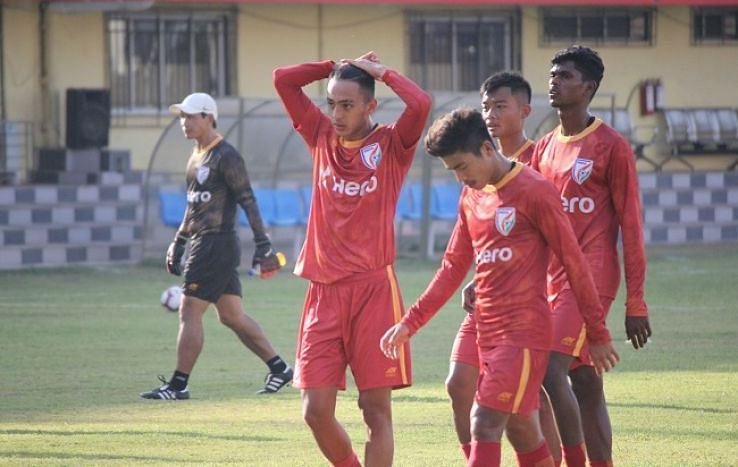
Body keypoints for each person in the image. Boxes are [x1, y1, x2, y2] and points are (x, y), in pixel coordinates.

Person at [381, 107, 619, 467]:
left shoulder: (535, 191)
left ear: (487, 150)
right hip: (485, 331)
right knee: (522, 428)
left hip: (524, 333)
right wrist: (410, 322)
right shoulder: (471, 199)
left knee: (484, 421)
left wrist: (598, 333)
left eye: (462, 166)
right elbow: (451, 268)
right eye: (452, 171)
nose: (460, 178)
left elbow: (575, 264)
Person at [273, 52, 432, 467]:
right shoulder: (320, 135)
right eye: (331, 103)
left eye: (347, 104)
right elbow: (283, 79)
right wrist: (330, 66)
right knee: (315, 410)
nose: (337, 113)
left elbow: (421, 105)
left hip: (374, 294)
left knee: (375, 412)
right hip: (323, 293)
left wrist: (382, 72)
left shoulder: (392, 146)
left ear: (370, 106)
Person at [531, 46, 653, 467]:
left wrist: (635, 301)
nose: (555, 81)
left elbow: (632, 227)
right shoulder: (544, 148)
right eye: (552, 74)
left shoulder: (611, 147)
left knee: (549, 369)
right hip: (551, 279)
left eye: (565, 75)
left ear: (589, 88)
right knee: (584, 383)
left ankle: (573, 461)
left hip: (592, 277)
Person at [140, 92, 293, 400]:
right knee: (231, 316)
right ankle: (280, 369)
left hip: (215, 244)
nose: (184, 122)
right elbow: (193, 208)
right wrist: (177, 242)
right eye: (182, 116)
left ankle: (178, 384)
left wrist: (263, 246)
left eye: (190, 116)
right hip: (202, 242)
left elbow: (248, 200)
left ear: (209, 117)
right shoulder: (195, 157)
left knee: (189, 311)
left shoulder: (226, 156)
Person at [446, 72, 562, 464]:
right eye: (486, 107)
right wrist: (477, 277)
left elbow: (547, 237)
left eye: (500, 106)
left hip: (528, 305)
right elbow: (488, 235)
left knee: (527, 405)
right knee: (460, 384)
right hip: (488, 300)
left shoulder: (539, 160)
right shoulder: (475, 166)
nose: (491, 114)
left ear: (524, 111)